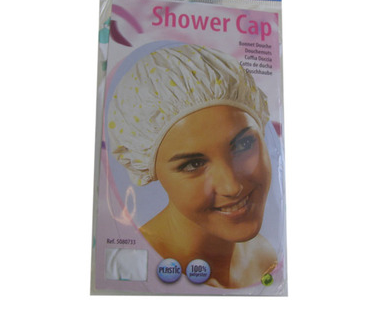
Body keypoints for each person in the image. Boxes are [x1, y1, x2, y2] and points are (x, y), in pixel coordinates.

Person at [107, 43, 277, 288]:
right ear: (147, 168)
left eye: (243, 144)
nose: (232, 186)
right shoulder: (133, 267)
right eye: (193, 164)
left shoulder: (265, 257)